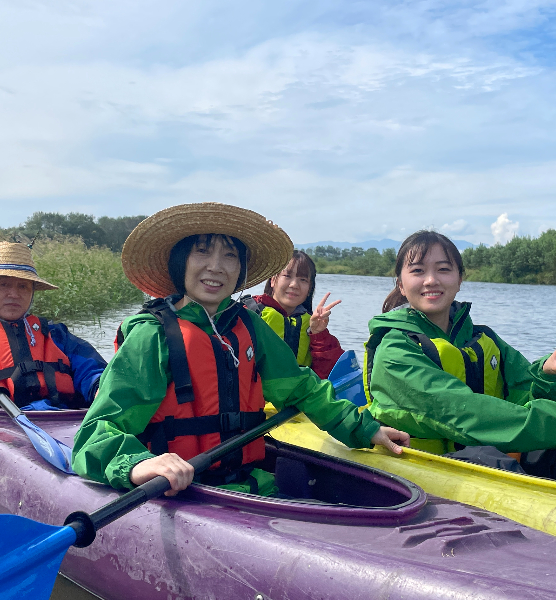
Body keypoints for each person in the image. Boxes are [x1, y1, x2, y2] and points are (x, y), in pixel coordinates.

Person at [72, 203, 409, 497]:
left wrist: (366, 428)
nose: (217, 267)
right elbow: (95, 435)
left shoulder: (248, 326)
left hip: (251, 484)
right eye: (202, 252)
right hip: (182, 491)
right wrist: (139, 465)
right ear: (180, 261)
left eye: (230, 256)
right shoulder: (152, 334)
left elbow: (302, 387)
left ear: (240, 271)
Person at [362, 230, 556, 490]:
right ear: (401, 283)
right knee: (494, 457)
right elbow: (460, 410)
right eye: (418, 271)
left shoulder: (484, 340)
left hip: (485, 456)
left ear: (460, 279)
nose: (431, 280)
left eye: (443, 269)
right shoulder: (395, 348)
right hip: (422, 465)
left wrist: (550, 376)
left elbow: (530, 402)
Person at [0, 242, 106, 411]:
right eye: (4, 285)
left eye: (23, 286)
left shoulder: (57, 336)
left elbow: (90, 370)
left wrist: (99, 388)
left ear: (32, 293)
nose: (14, 294)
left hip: (61, 421)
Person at [245, 250, 344, 378]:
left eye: (303, 279)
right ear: (273, 280)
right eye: (287, 276)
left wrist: (319, 334)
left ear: (309, 289)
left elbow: (330, 375)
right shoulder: (249, 313)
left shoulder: (311, 324)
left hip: (299, 396)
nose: (294, 285)